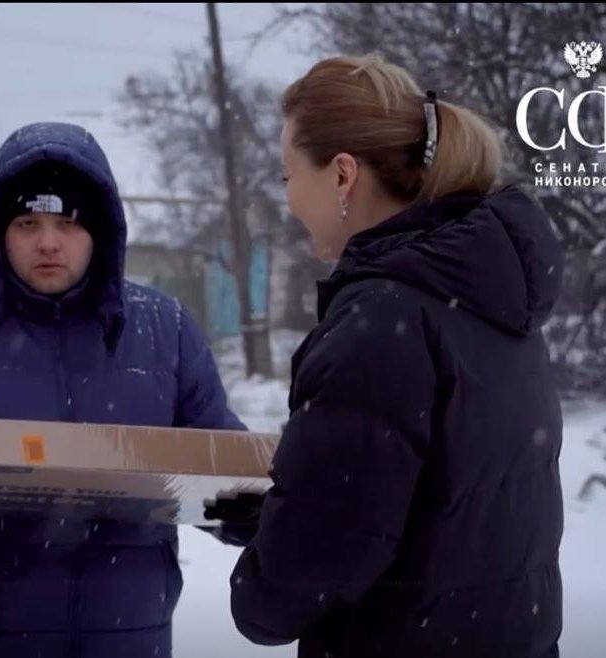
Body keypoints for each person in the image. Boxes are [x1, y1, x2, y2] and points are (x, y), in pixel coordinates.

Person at [227, 53, 565, 657]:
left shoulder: (382, 320)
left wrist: (261, 574)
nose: (288, 200)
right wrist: (280, 510)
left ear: (342, 175)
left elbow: (297, 580)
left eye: (288, 175)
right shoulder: (487, 299)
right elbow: (444, 513)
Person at [0, 121, 246, 656]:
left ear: (100, 232)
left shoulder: (165, 330)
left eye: (68, 223)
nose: (48, 242)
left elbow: (218, 460)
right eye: (28, 222)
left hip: (126, 635)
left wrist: (253, 508)